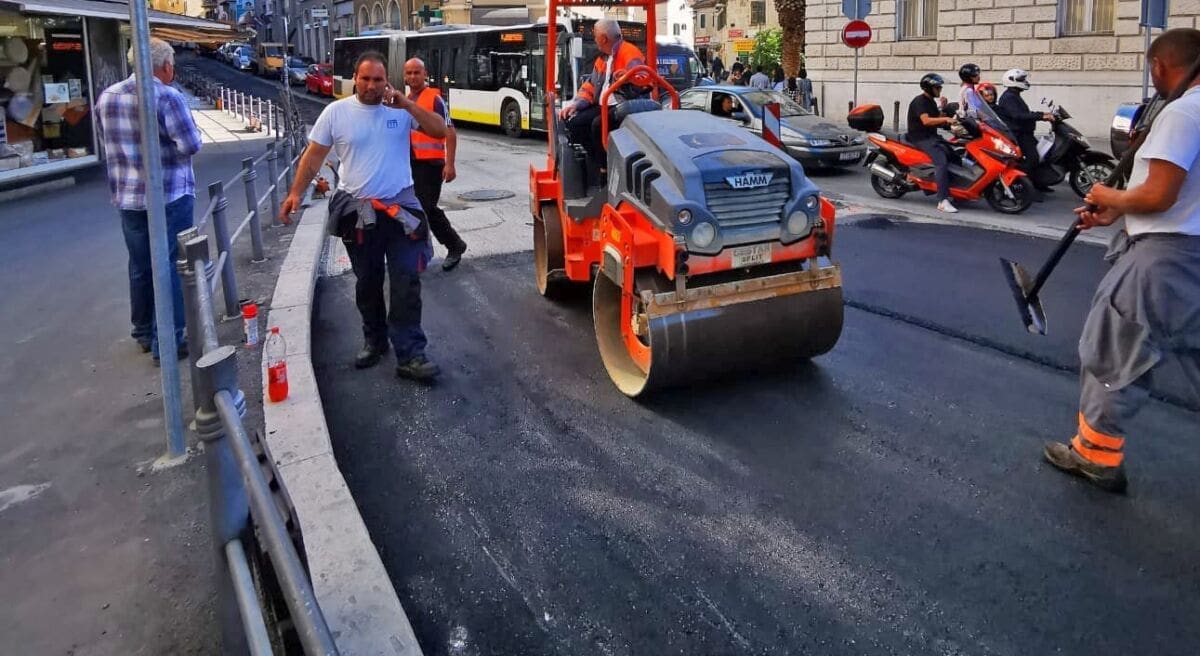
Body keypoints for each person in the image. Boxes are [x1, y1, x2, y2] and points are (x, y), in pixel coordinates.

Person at [1043, 28, 1200, 494]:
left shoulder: (1184, 113)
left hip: (1164, 263)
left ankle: (1095, 456)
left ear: (1159, 67)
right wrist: (1117, 210)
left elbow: (1159, 194)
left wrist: (1103, 192)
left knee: (1113, 351)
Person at [280, 51, 449, 381]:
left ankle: (411, 353)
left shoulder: (401, 110)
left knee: (406, 280)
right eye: (365, 78)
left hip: (401, 209)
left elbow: (439, 131)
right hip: (359, 211)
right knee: (368, 281)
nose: (372, 85)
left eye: (378, 79)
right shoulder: (336, 113)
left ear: (388, 81)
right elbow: (314, 157)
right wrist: (295, 192)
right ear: (354, 79)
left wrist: (408, 105)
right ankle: (375, 340)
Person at [96, 37, 200, 364]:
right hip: (170, 195)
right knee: (171, 263)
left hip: (127, 197)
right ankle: (168, 341)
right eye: (173, 66)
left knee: (141, 265)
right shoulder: (167, 97)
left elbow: (105, 143)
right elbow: (190, 144)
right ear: (166, 66)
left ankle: (142, 331)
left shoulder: (107, 97)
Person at [403, 57, 468, 272]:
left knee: (427, 208)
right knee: (415, 208)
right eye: (409, 73)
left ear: (425, 74)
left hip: (431, 164)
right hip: (411, 163)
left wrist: (450, 164)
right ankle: (416, 252)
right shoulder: (406, 98)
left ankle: (454, 245)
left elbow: (450, 131)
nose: (413, 76)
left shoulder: (435, 99)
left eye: (417, 72)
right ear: (404, 75)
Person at [558, 18, 646, 170]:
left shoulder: (630, 53)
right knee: (574, 123)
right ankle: (596, 163)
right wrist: (577, 104)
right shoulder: (602, 59)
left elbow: (643, 81)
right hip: (604, 104)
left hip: (622, 104)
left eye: (596, 36)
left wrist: (627, 77)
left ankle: (605, 170)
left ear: (604, 38)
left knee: (598, 125)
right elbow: (591, 86)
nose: (595, 40)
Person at [906, 73, 959, 214]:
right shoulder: (920, 102)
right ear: (929, 88)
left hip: (931, 136)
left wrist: (945, 109)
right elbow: (927, 121)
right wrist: (946, 119)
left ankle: (956, 191)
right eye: (937, 87)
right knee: (941, 161)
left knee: (954, 156)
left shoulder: (930, 101)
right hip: (920, 138)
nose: (940, 89)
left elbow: (937, 118)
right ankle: (942, 200)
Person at [996, 68, 1055, 191]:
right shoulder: (1009, 98)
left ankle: (1038, 184)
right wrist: (1041, 116)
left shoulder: (1013, 95)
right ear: (1011, 81)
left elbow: (1023, 113)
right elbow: (1018, 115)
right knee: (1032, 159)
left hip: (1025, 133)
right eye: (1021, 79)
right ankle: (1024, 186)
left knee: (1039, 156)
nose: (1024, 81)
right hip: (1019, 135)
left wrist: (1042, 114)